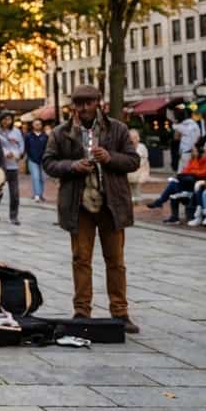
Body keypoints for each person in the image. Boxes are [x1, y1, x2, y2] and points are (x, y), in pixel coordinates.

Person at [42, 84, 140, 333]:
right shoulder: (61, 132)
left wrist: (110, 158)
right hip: (79, 205)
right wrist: (72, 166)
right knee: (80, 259)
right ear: (72, 105)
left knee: (115, 261)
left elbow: (133, 161)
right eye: (79, 103)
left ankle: (120, 312)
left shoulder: (117, 129)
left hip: (111, 205)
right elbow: (49, 163)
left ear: (99, 102)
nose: (83, 108)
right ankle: (81, 311)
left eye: (88, 102)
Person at [147, 142, 206, 223]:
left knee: (173, 185)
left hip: (196, 185)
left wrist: (193, 168)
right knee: (173, 184)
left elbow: (203, 172)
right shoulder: (194, 159)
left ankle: (160, 202)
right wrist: (193, 166)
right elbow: (186, 170)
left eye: (193, 151)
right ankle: (169, 212)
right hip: (189, 183)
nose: (192, 152)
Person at [0, 112, 24, 225]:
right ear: (1, 120)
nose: (7, 121)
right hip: (0, 166)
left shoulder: (17, 132)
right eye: (5, 119)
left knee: (15, 193)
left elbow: (21, 146)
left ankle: (13, 216)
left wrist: (17, 154)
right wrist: (3, 153)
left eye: (9, 119)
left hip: (13, 166)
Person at [24, 118, 49, 203]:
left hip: (43, 160)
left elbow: (48, 148)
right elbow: (26, 147)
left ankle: (40, 194)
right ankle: (37, 195)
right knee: (35, 177)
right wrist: (28, 156)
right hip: (32, 160)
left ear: (42, 125)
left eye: (39, 124)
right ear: (32, 125)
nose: (37, 125)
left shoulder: (45, 136)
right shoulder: (28, 136)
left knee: (42, 178)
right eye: (35, 124)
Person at [173, 108, 202, 173]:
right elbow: (198, 137)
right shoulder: (195, 124)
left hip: (186, 152)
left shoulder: (182, 125)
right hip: (193, 151)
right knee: (189, 172)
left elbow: (176, 137)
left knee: (183, 173)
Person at [128, 128, 150, 205]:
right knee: (129, 189)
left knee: (137, 189)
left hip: (139, 172)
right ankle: (131, 202)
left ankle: (137, 202)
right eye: (131, 138)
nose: (133, 140)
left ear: (138, 138)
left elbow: (145, 161)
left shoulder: (142, 147)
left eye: (135, 138)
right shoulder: (127, 147)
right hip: (129, 172)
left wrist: (145, 173)